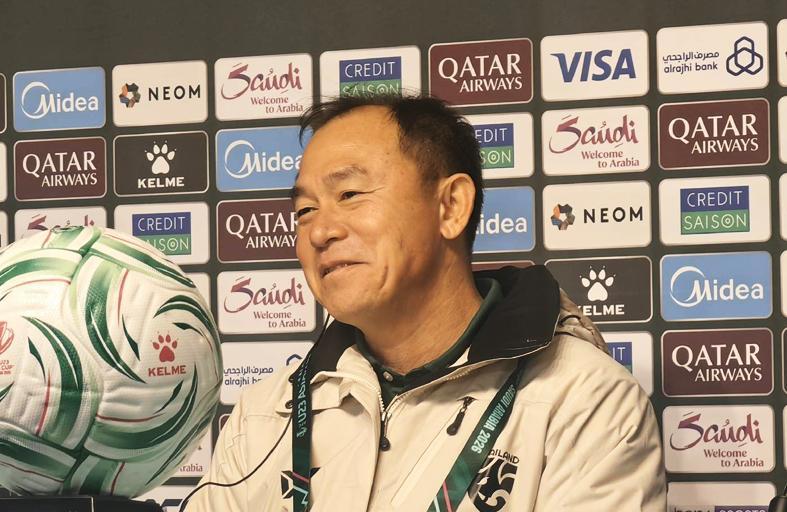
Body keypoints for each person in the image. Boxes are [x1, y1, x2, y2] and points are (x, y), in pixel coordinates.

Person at [186, 94, 666, 511]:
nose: (320, 231)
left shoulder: (583, 401)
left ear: (450, 206)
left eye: (349, 194)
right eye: (305, 210)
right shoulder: (265, 413)